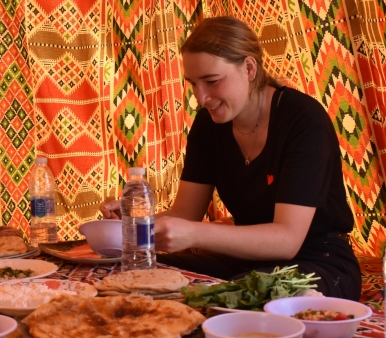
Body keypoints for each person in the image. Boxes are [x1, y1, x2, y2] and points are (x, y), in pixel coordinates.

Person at [101, 16, 361, 300]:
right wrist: (133, 222)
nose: (201, 97)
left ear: (249, 68)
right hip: (246, 262)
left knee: (242, 297)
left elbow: (287, 240)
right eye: (193, 84)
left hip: (317, 262)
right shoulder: (208, 125)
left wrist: (195, 235)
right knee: (135, 277)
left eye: (211, 81)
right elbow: (184, 215)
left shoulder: (303, 121)